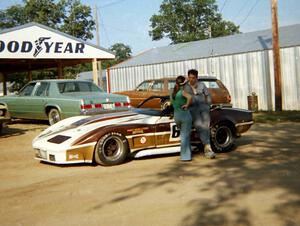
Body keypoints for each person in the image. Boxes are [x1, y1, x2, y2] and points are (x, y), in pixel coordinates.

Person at [184, 69, 216, 159]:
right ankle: (208, 148)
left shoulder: (202, 85)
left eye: (193, 78)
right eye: (189, 77)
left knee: (206, 127)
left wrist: (208, 105)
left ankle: (207, 148)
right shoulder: (186, 87)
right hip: (193, 109)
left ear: (196, 78)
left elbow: (208, 95)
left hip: (204, 108)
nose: (191, 79)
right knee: (199, 126)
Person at [171, 76, 193, 161]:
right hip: (185, 116)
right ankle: (185, 157)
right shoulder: (182, 92)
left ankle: (188, 153)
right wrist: (187, 105)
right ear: (183, 83)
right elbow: (190, 97)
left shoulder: (172, 93)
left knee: (184, 135)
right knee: (185, 137)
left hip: (177, 116)